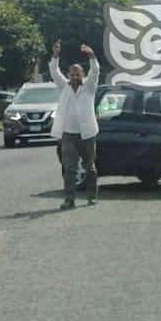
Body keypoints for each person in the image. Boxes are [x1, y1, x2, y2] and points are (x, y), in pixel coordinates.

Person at [50, 39, 100, 210]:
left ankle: (92, 195)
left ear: (83, 75)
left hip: (87, 134)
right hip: (68, 134)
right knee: (69, 168)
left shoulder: (89, 87)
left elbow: (96, 70)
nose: (74, 77)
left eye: (77, 74)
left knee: (89, 167)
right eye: (72, 74)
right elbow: (54, 72)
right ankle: (69, 199)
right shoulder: (64, 87)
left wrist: (91, 55)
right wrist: (55, 55)